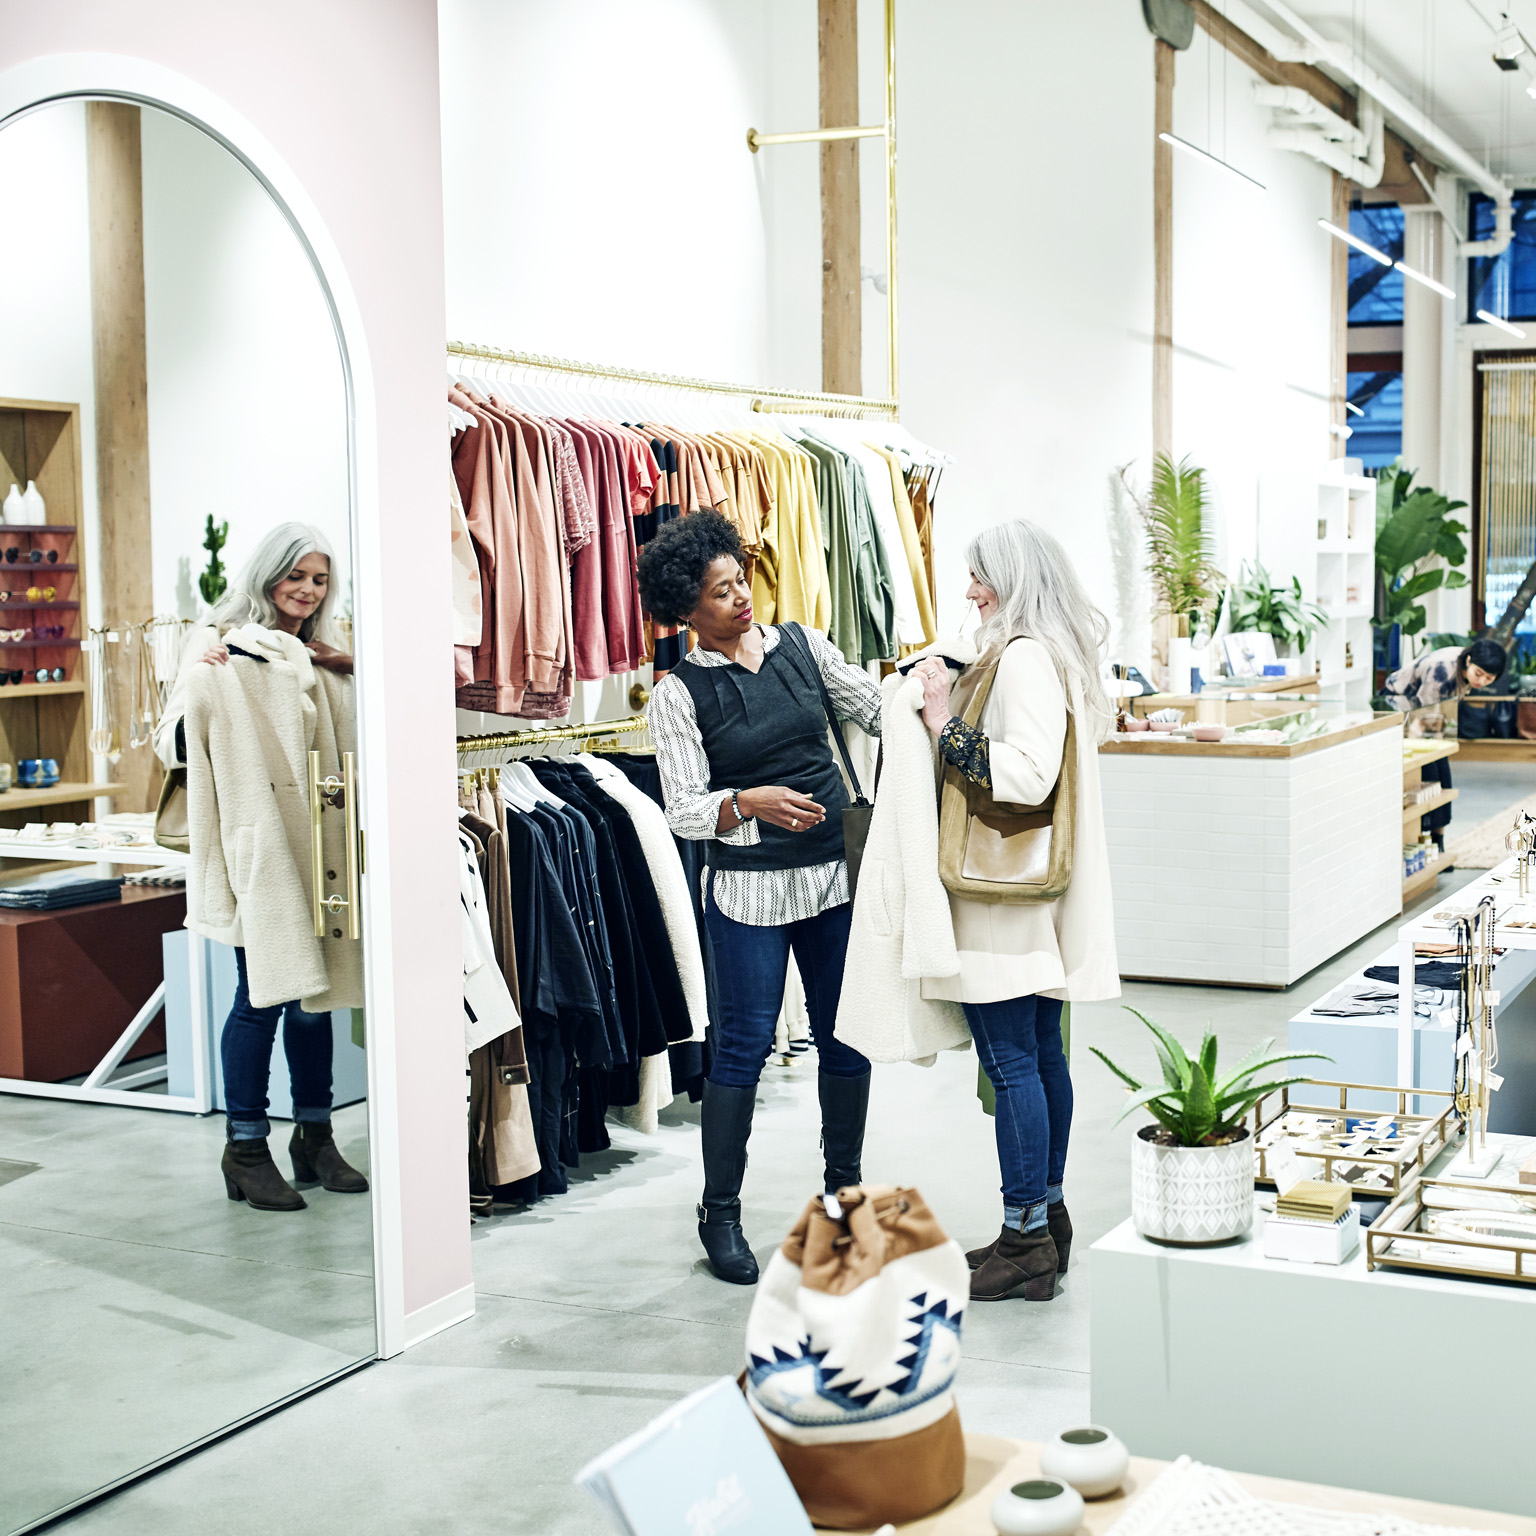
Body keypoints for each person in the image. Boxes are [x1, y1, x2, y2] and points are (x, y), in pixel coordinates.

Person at [638, 509, 882, 1285]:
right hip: (746, 889)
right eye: (720, 592)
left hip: (833, 872)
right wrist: (747, 802)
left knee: (845, 1036)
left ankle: (843, 1197)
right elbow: (681, 808)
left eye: (740, 580)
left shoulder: (803, 648)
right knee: (741, 1048)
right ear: (687, 612)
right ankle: (721, 1213)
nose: (740, 598)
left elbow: (874, 708)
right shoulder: (677, 697)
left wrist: (946, 697)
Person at [910, 519, 1119, 1303]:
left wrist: (942, 724)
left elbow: (1024, 779)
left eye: (980, 578)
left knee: (1012, 1063)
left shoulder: (1027, 660)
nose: (969, 591)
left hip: (1003, 902)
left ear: (1014, 581)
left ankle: (1027, 1237)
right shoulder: (1042, 654)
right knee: (1038, 1055)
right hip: (1027, 900)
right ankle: (1042, 1220)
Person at [156, 522, 368, 1213]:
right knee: (261, 996)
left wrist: (349, 670)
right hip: (260, 844)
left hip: (321, 847)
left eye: (318, 579)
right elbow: (173, 740)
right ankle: (246, 1147)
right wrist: (207, 683)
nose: (306, 591)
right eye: (295, 576)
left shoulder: (330, 648)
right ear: (268, 574)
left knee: (315, 1002)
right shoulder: (217, 637)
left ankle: (315, 1135)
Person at [1383, 638, 1506, 711]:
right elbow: (1427, 708)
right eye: (1478, 674)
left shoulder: (1467, 662)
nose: (1481, 681)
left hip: (1417, 704)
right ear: (1468, 661)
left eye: (1489, 678)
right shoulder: (1442, 670)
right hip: (1396, 700)